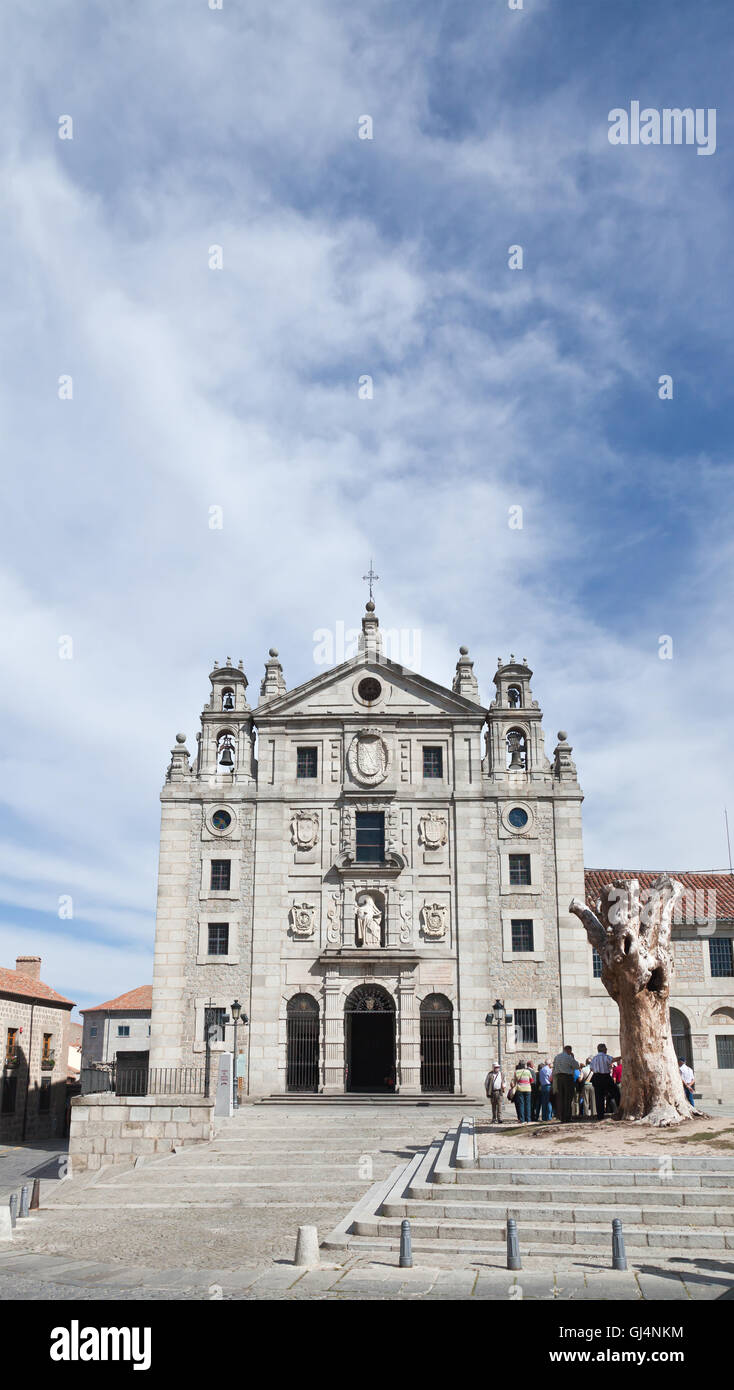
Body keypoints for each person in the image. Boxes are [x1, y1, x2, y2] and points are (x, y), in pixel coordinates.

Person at [552, 1045, 579, 1123]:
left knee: (561, 1098)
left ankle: (562, 1117)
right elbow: (576, 1066)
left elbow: (554, 1068)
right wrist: (573, 1057)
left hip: (559, 1078)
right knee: (568, 1098)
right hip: (567, 1078)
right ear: (569, 1050)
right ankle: (567, 1117)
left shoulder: (557, 1057)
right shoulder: (568, 1057)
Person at [590, 1043, 616, 1119]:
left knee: (598, 1097)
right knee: (615, 1092)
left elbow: (591, 1068)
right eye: (606, 1048)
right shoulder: (605, 1056)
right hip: (605, 1077)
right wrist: (621, 1057)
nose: (606, 1050)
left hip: (596, 1077)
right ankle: (618, 1108)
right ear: (603, 1049)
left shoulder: (594, 1058)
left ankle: (600, 1116)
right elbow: (613, 1059)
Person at [511, 1058, 534, 1123]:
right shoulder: (528, 1071)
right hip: (528, 1089)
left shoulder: (516, 1072)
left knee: (521, 1104)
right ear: (524, 1065)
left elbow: (514, 1081)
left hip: (519, 1089)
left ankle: (522, 1119)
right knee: (528, 1104)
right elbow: (531, 1081)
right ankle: (528, 1119)